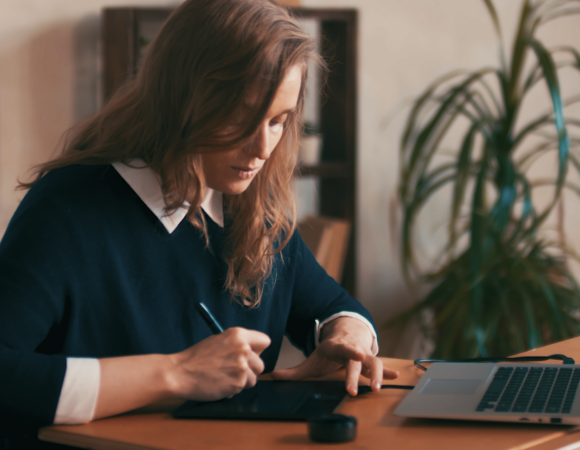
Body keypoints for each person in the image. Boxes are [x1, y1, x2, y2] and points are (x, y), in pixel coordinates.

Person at [0, 0, 397, 445]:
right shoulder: (68, 208)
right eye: (242, 118)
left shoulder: (251, 208)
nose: (262, 147)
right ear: (181, 101)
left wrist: (347, 336)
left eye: (278, 122)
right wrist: (174, 373)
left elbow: (337, 308)